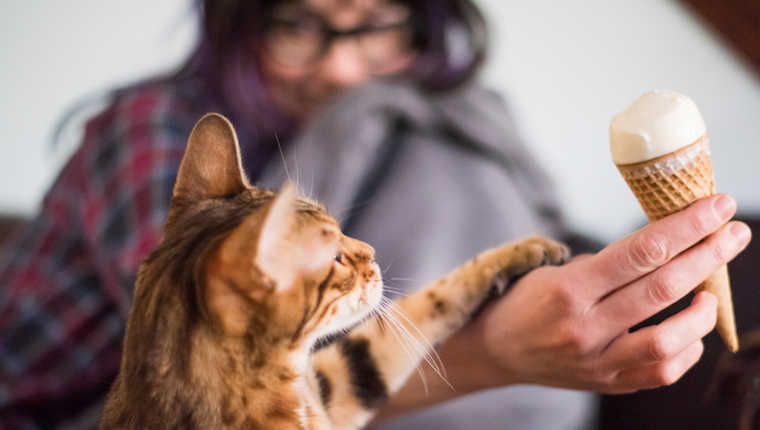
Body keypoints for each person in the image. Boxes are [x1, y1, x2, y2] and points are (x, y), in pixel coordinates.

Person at [0, 0, 750, 428]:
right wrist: (494, 352)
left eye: (376, 23)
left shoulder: (384, 127)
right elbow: (229, 393)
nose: (341, 68)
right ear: (243, 24)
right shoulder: (150, 135)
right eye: (300, 25)